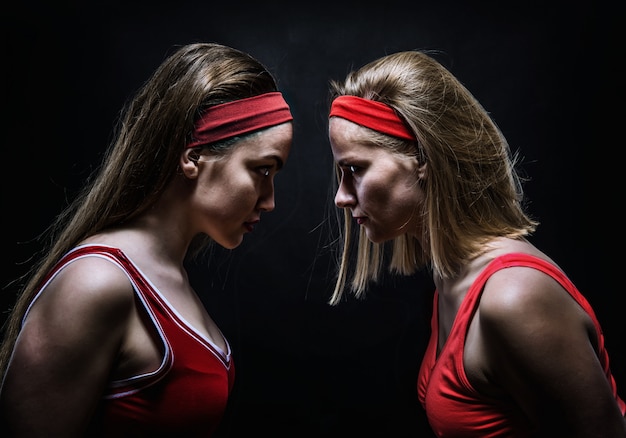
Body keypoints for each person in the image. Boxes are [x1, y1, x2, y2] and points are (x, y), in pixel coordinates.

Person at [325, 50, 625, 437]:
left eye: (355, 170)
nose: (341, 196)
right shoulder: (453, 277)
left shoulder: (513, 299)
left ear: (424, 159)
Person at [0, 42, 294, 437]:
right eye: (261, 170)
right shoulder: (95, 282)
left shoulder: (169, 277)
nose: (270, 200)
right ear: (193, 157)